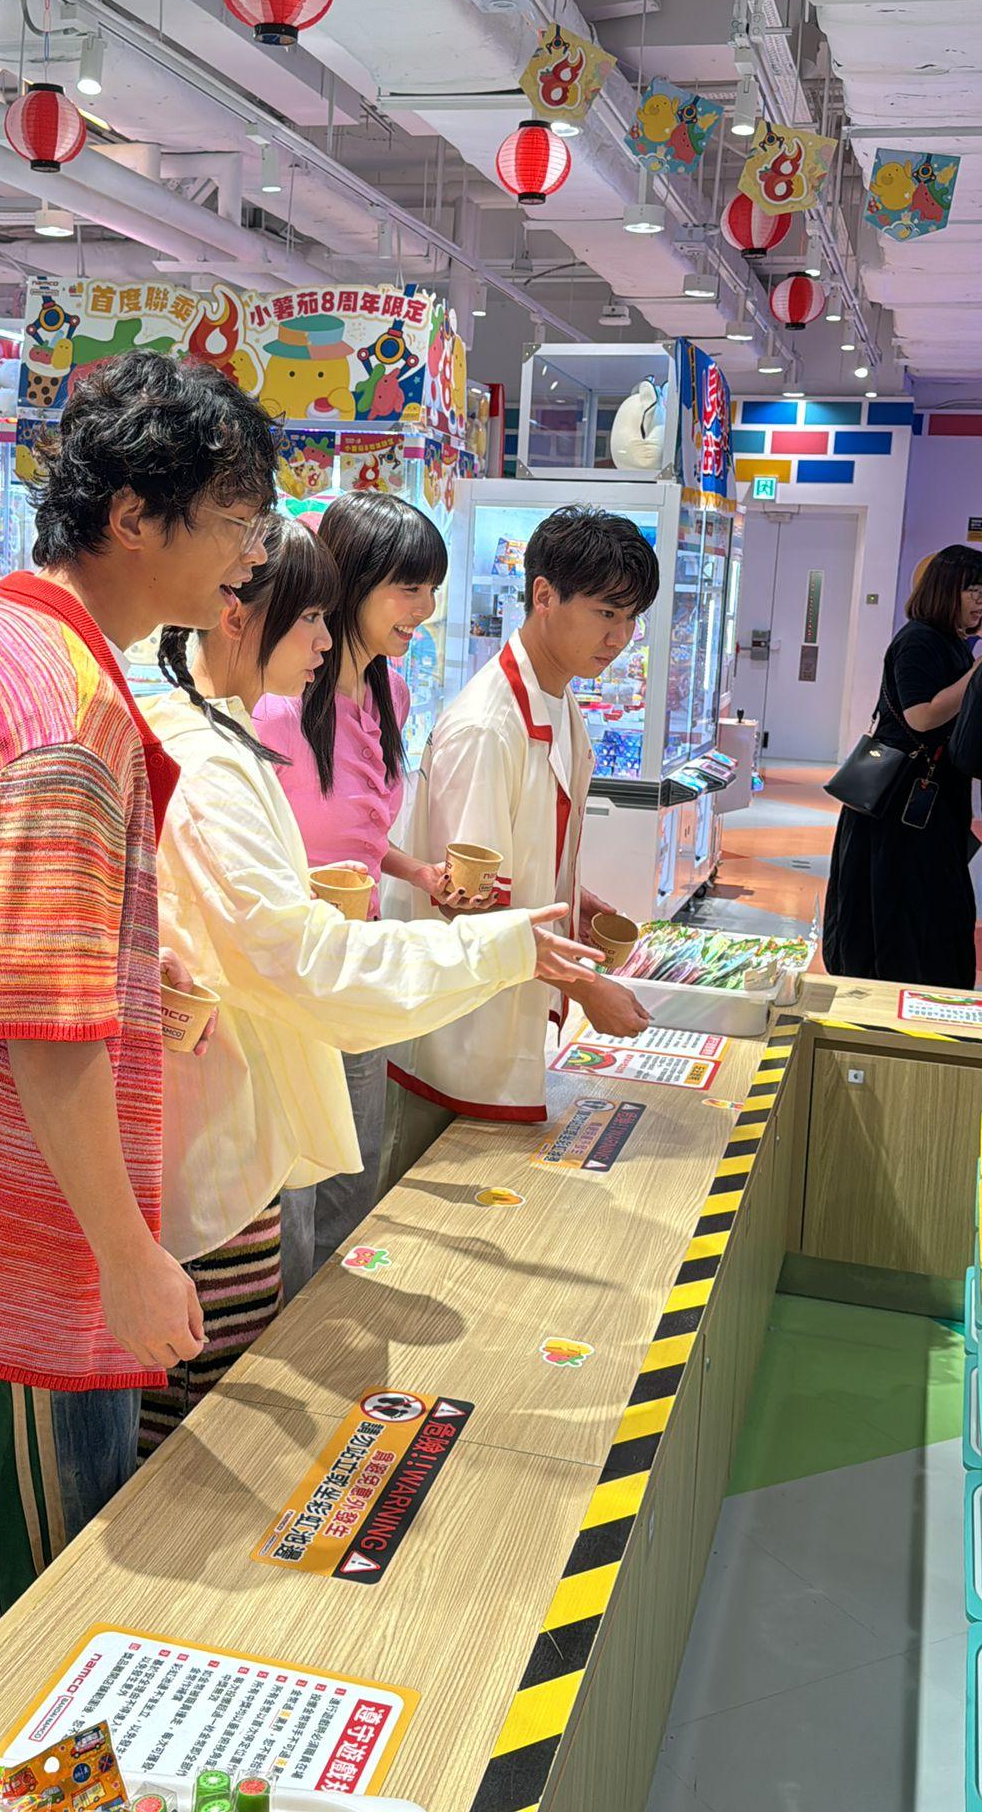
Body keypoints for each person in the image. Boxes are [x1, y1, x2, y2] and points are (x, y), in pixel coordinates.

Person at [0, 349, 278, 1724]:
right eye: (237, 520)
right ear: (134, 516)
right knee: (16, 1571)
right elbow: (45, 1032)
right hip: (7, 1241)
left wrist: (133, 967)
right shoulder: (70, 715)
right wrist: (128, 1255)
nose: (253, 557)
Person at [141, 513, 606, 1441]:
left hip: (267, 1059)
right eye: (311, 617)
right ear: (234, 610)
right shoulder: (216, 753)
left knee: (307, 1238)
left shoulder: (236, 727)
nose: (324, 641)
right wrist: (498, 948)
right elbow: (301, 956)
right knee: (205, 1408)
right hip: (229, 1096)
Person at [385, 503, 659, 1183]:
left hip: (502, 1002)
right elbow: (470, 903)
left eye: (631, 618)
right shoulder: (488, 725)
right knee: (424, 1197)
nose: (620, 637)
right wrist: (587, 986)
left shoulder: (557, 699)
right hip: (455, 1019)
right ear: (543, 594)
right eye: (605, 612)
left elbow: (522, 851)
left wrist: (572, 900)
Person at [253, 492, 464, 1294]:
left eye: (432, 588)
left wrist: (416, 873)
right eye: (409, 587)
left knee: (355, 1166)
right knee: (295, 1186)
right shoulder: (274, 708)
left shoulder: (390, 694)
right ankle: (281, 1333)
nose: (426, 609)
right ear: (351, 582)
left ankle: (328, 1326)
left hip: (360, 960)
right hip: (290, 971)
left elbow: (358, 834)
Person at [823, 543, 982, 988]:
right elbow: (921, 716)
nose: (979, 601)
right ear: (945, 590)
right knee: (899, 904)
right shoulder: (918, 640)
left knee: (928, 901)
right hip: (901, 801)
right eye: (972, 590)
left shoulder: (952, 643)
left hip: (929, 796)